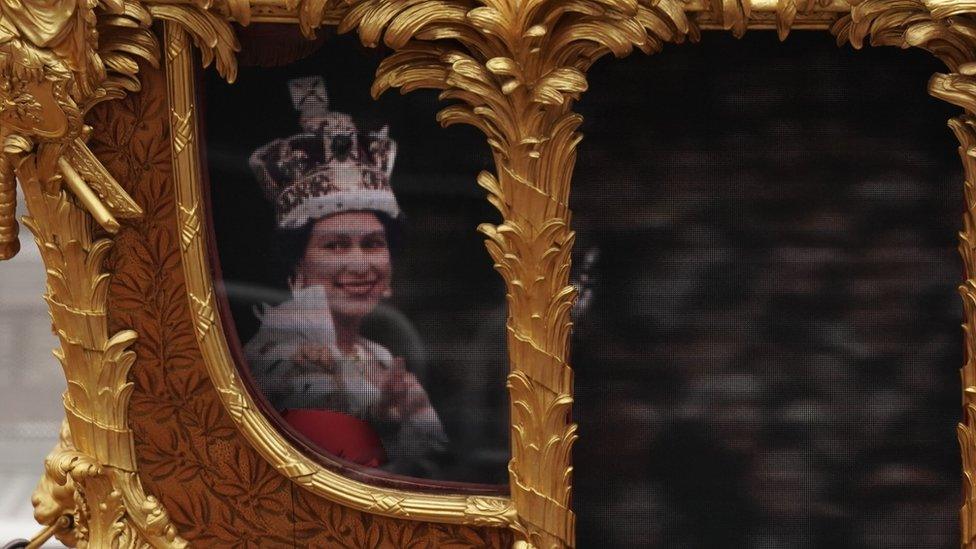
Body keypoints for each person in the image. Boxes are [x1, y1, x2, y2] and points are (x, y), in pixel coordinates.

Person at [243, 76, 447, 478]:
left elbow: (439, 464)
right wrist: (380, 419)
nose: (360, 265)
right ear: (297, 265)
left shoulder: (381, 356)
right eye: (335, 247)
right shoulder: (277, 356)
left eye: (372, 244)